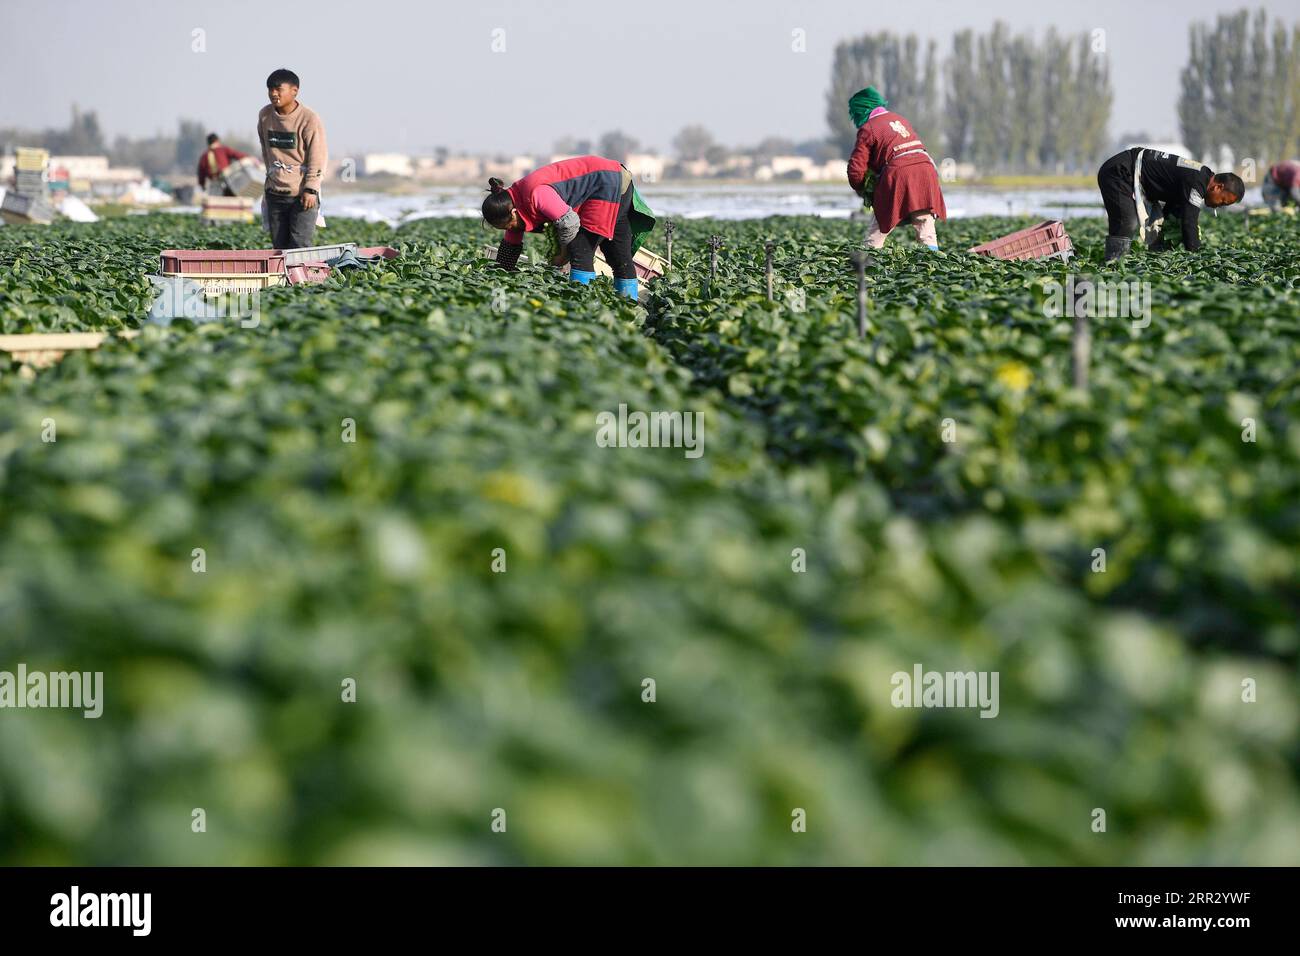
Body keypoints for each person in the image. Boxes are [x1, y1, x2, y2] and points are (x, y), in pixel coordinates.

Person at [482, 155, 655, 300]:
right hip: (616, 178)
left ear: (512, 213)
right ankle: (628, 307)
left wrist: (562, 254)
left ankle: (580, 307)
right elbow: (510, 247)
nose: (511, 229)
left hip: (605, 182)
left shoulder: (535, 193)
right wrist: (499, 280)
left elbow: (569, 222)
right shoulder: (514, 202)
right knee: (617, 254)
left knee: (580, 250)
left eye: (508, 225)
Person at [1097, 147, 1244, 261]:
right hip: (1118, 171)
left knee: (1163, 224)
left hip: (1129, 171)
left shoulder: (1201, 177)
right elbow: (1189, 222)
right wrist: (1197, 258)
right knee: (1127, 222)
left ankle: (1154, 262)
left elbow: (1172, 215)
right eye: (1223, 201)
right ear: (1218, 187)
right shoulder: (1196, 182)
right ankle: (1113, 265)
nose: (1219, 206)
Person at [845, 86, 947, 251]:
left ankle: (868, 259)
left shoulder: (868, 128)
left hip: (899, 174)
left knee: (880, 224)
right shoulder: (900, 119)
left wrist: (862, 188)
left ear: (860, 110)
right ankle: (933, 262)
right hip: (925, 171)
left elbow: (856, 169)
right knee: (924, 225)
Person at [258, 68, 328, 249]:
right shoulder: (265, 116)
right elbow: (266, 151)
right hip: (275, 193)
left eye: (278, 89)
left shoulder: (308, 119)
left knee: (299, 244)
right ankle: (282, 278)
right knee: (279, 246)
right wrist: (270, 180)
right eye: (270, 89)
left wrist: (311, 189)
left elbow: (317, 155)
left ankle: (301, 278)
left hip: (302, 194)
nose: (273, 93)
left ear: (294, 91)